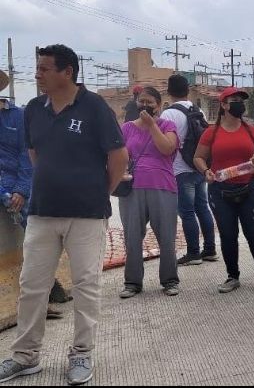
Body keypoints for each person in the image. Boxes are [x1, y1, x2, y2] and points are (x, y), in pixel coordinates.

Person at [0, 44, 129, 385]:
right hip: (42, 211)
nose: (37, 74)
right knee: (31, 285)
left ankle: (82, 354)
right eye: (38, 68)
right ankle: (25, 356)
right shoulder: (33, 110)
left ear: (67, 72)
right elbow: (34, 153)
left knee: (87, 285)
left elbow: (118, 158)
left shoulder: (94, 107)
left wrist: (99, 192)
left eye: (44, 68)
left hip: (86, 214)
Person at [193, 87, 254, 295]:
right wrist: (206, 171)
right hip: (220, 191)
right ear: (224, 105)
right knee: (228, 235)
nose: (239, 104)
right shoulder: (212, 132)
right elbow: (198, 158)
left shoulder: (250, 130)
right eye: (234, 100)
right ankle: (232, 276)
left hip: (249, 189)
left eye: (241, 100)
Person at [0, 77, 65, 317]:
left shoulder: (17, 116)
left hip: (20, 185)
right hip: (3, 187)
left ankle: (43, 291)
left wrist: (21, 189)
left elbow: (26, 155)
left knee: (38, 240)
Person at [118, 86, 179, 299]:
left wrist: (152, 125)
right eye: (141, 101)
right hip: (132, 189)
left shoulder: (167, 125)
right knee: (132, 237)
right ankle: (132, 282)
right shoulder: (126, 128)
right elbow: (119, 157)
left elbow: (166, 148)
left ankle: (170, 280)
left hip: (162, 186)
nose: (145, 105)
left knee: (167, 236)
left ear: (159, 105)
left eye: (150, 102)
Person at [160, 74, 218, 266]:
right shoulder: (197, 109)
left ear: (169, 92)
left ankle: (193, 252)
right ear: (187, 90)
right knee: (202, 207)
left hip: (180, 168)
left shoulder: (168, 114)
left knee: (187, 211)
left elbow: (164, 143)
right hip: (199, 166)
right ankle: (210, 249)